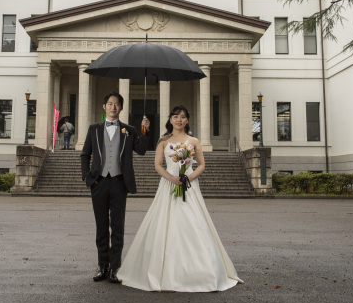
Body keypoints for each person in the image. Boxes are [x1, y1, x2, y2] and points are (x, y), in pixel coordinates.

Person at [117, 105, 242, 292]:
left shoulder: (194, 141)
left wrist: (188, 178)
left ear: (187, 120)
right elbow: (158, 165)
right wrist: (172, 178)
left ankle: (201, 272)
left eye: (183, 117)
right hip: (168, 185)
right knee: (164, 225)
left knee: (194, 223)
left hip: (189, 187)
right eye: (175, 116)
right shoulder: (163, 141)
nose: (179, 120)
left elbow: (201, 165)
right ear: (170, 119)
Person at [81, 92, 150, 283]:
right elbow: (85, 154)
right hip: (99, 182)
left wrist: (144, 131)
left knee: (117, 227)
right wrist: (88, 178)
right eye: (109, 103)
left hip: (119, 183)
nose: (113, 107)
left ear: (121, 108)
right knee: (101, 227)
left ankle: (115, 268)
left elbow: (142, 151)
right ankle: (102, 266)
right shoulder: (94, 129)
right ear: (104, 107)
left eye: (116, 104)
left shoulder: (129, 130)